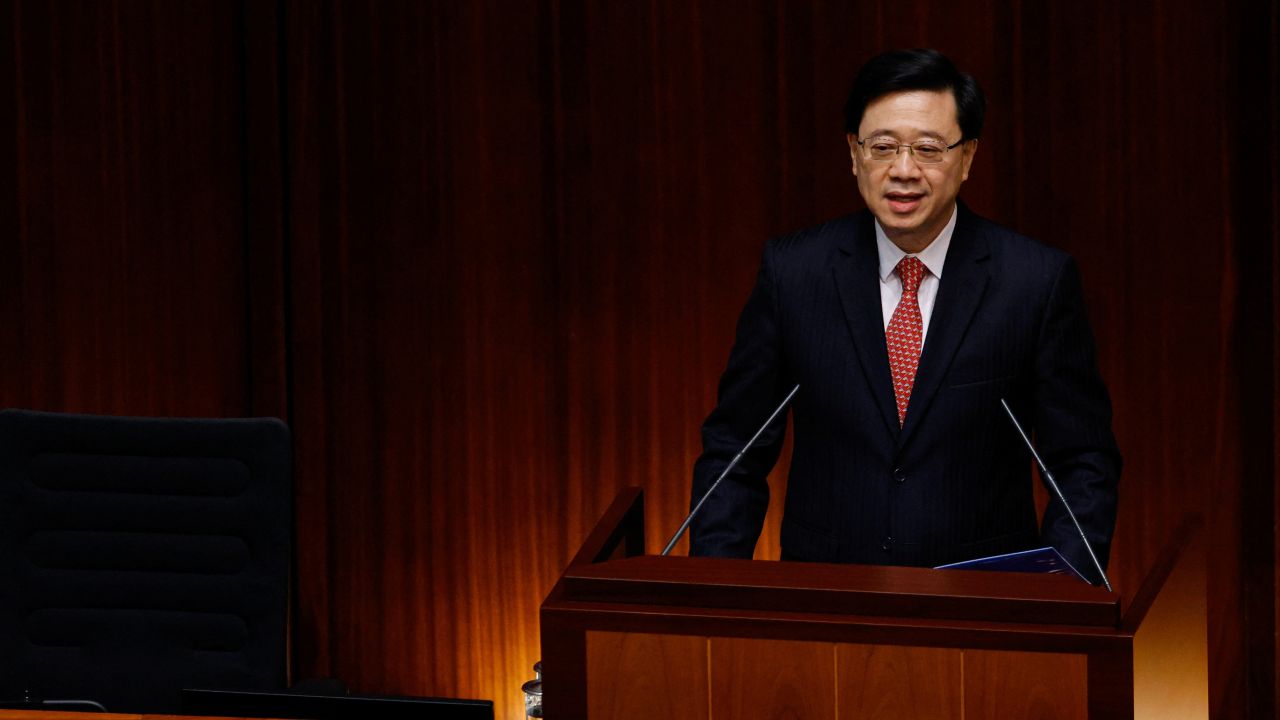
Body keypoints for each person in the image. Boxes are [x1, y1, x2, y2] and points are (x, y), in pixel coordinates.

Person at [688, 48, 1120, 584]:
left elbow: (1082, 463)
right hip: (825, 599)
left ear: (967, 157)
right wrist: (711, 593)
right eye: (883, 147)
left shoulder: (1034, 282)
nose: (904, 170)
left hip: (981, 608)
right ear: (853, 153)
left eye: (928, 149)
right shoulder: (795, 273)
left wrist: (1060, 600)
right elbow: (736, 449)